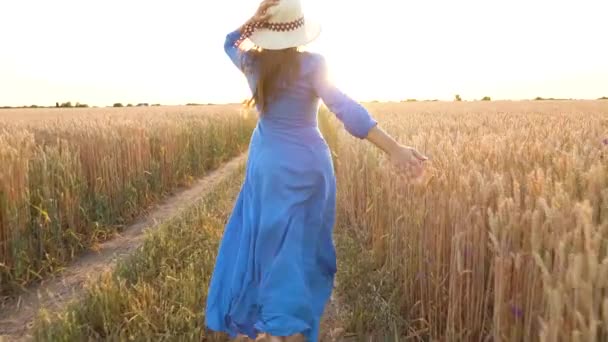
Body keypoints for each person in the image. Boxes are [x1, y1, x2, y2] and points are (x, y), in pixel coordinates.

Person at [205, 0, 428, 341]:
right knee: (301, 245)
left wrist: (257, 17)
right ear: (299, 31)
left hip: (269, 165)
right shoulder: (313, 65)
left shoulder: (252, 63)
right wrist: (394, 149)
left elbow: (227, 41)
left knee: (269, 242)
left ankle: (277, 323)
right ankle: (289, 322)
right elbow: (346, 109)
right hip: (310, 165)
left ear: (267, 30)